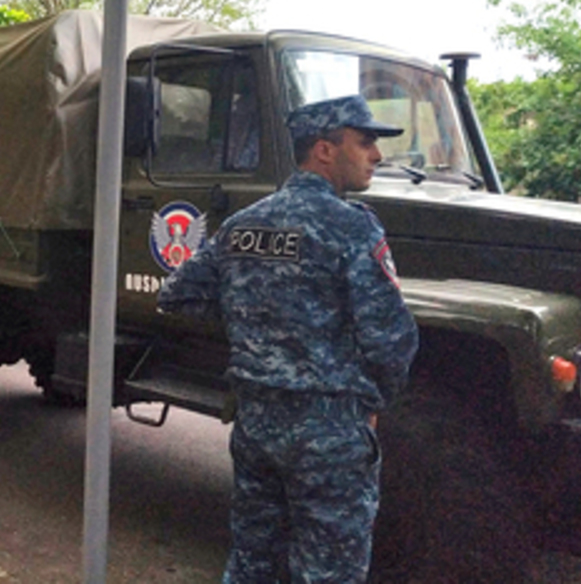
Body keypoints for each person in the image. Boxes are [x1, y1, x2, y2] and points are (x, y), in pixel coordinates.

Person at [157, 94, 420, 583]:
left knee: (253, 561)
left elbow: (176, 295)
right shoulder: (351, 227)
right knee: (329, 569)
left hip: (257, 422)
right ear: (324, 150)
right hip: (330, 429)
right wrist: (375, 399)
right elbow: (391, 340)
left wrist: (251, 327)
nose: (377, 157)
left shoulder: (242, 225)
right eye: (364, 143)